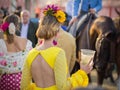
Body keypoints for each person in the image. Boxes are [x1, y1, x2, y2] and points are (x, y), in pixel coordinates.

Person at [20, 5, 93, 90]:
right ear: (57, 31)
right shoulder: (58, 53)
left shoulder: (30, 53)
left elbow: (24, 86)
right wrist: (82, 73)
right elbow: (62, 87)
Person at [0, 14, 32, 90]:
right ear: (17, 26)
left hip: (6, 82)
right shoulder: (26, 42)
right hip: (24, 80)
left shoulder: (1, 43)